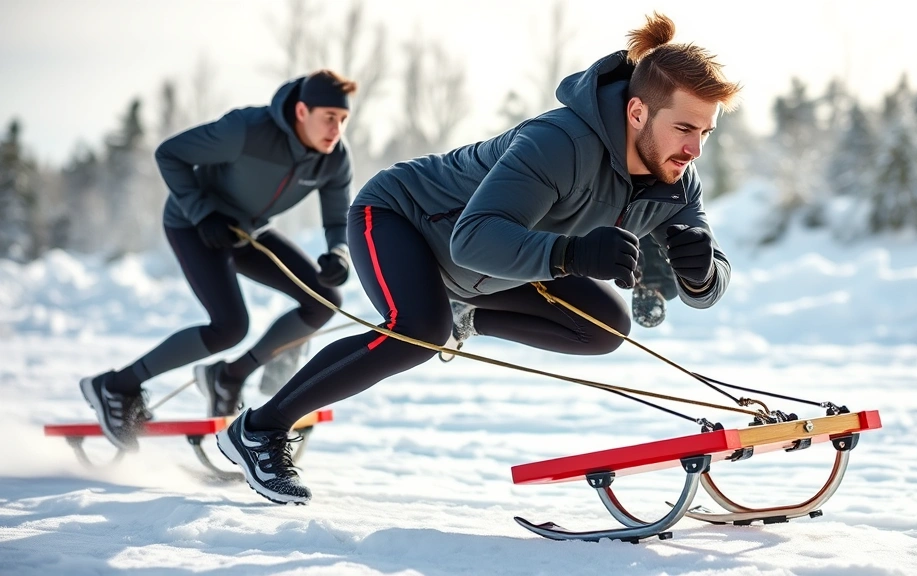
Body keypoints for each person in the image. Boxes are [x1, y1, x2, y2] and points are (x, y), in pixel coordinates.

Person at [217, 12, 740, 504]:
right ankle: (259, 429)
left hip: (494, 267)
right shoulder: (559, 142)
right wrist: (574, 253)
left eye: (706, 133)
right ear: (637, 111)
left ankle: (464, 316)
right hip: (405, 219)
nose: (695, 149)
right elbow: (473, 238)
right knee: (417, 329)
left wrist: (701, 275)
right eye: (685, 129)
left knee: (604, 327)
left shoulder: (677, 181)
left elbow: (709, 283)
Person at [80, 69, 359, 451]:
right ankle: (116, 386)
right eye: (329, 117)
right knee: (229, 326)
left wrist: (338, 253)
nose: (336, 129)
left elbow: (337, 219)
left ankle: (229, 376)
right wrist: (202, 213)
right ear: (300, 111)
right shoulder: (247, 129)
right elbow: (170, 154)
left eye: (343, 120)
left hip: (248, 233)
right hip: (194, 226)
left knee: (323, 301)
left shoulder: (333, 161)